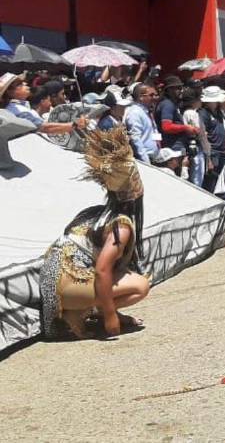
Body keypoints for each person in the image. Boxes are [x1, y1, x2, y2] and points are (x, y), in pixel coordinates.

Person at [38, 128, 149, 339]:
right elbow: (102, 270)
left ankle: (82, 309)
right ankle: (79, 313)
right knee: (140, 286)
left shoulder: (95, 213)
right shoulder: (120, 226)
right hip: (66, 284)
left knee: (126, 275)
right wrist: (110, 316)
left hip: (51, 281)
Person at [0, 73, 86, 135]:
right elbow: (44, 128)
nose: (25, 84)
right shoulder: (17, 110)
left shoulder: (18, 106)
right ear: (9, 91)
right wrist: (74, 125)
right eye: (20, 84)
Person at [199, 86, 225, 193]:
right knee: (211, 181)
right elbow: (203, 135)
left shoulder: (218, 112)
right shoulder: (203, 113)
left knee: (218, 180)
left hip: (221, 151)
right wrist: (208, 157)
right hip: (213, 152)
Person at [155, 75, 197, 154]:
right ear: (169, 90)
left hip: (177, 144)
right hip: (172, 146)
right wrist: (186, 128)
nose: (181, 90)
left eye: (181, 88)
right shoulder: (167, 105)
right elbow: (166, 127)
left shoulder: (173, 104)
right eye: (178, 88)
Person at [124, 83, 160, 163]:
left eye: (156, 95)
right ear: (141, 97)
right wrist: (145, 161)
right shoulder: (135, 112)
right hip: (144, 161)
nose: (155, 97)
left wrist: (158, 150)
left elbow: (154, 132)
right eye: (151, 95)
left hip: (155, 158)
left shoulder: (148, 113)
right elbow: (135, 138)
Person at [180, 88, 209, 187]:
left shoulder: (187, 112)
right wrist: (202, 132)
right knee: (197, 178)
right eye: (199, 99)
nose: (201, 102)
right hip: (195, 147)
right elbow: (195, 130)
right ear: (194, 101)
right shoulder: (191, 113)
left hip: (194, 146)